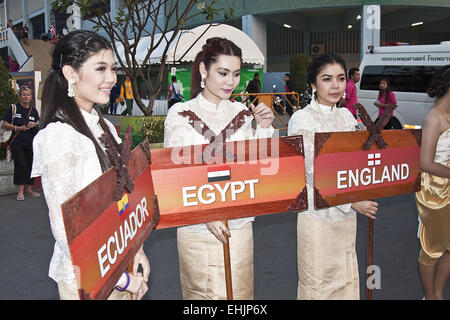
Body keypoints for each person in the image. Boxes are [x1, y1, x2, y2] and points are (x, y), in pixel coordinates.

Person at [30, 30, 150, 300]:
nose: (111, 78)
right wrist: (123, 279)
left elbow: (122, 198)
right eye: (100, 68)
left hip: (119, 265)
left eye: (112, 68)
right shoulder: (58, 137)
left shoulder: (103, 124)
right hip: (87, 280)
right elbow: (66, 229)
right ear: (71, 73)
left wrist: (136, 251)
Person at [164, 37, 274, 300]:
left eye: (236, 74)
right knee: (202, 296)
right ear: (204, 70)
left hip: (238, 227)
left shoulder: (243, 115)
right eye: (223, 73)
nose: (231, 82)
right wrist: (206, 213)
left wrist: (266, 127)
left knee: (240, 293)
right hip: (197, 227)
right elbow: (173, 176)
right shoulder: (180, 114)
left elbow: (262, 167)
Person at [288, 54, 379, 300]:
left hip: (347, 219)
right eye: (327, 79)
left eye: (340, 79)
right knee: (318, 284)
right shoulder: (301, 119)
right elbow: (311, 173)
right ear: (313, 84)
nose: (335, 86)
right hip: (318, 217)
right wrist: (353, 202)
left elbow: (356, 166)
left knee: (345, 281)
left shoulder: (347, 117)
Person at [415, 65, 450, 300]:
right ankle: (431, 296)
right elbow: (425, 163)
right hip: (434, 192)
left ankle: (437, 293)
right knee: (431, 249)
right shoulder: (433, 118)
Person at [1, 87, 40, 201]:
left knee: (29, 165)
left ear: (31, 97)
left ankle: (29, 189)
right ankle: (20, 191)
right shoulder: (14, 108)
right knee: (21, 165)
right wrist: (17, 127)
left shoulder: (33, 110)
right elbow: (4, 123)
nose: (25, 97)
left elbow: (38, 123)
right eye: (23, 95)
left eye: (28, 95)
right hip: (17, 142)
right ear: (19, 96)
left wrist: (35, 125)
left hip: (30, 143)